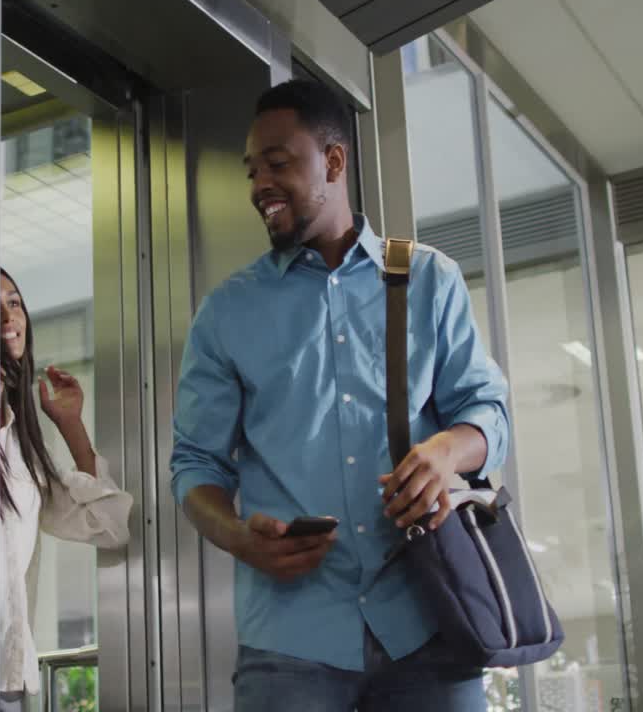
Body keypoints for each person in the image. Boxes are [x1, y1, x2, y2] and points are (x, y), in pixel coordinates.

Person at [169, 79, 512, 711]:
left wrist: (445, 453)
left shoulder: (429, 279)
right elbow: (194, 463)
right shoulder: (227, 312)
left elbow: (487, 412)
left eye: (278, 163)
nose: (260, 185)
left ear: (333, 161)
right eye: (252, 171)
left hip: (431, 617)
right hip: (289, 638)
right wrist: (240, 537)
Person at [0, 269, 133, 712]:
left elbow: (108, 527)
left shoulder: (22, 448)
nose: (8, 317)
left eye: (14, 303)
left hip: (5, 677)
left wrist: (71, 425)